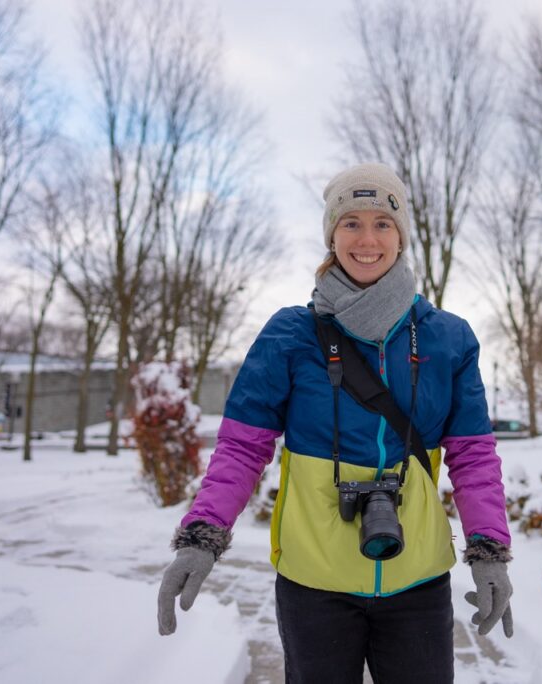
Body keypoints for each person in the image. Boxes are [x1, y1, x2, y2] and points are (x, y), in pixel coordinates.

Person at [157, 163, 513, 683]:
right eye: (351, 223)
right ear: (331, 234)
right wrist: (202, 535)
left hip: (417, 581)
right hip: (313, 584)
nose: (367, 238)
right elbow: (241, 448)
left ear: (401, 235)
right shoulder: (289, 335)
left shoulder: (448, 338)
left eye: (382, 223)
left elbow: (473, 455)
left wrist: (488, 549)